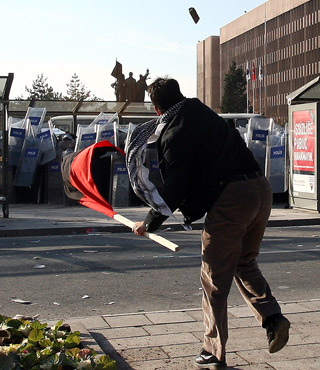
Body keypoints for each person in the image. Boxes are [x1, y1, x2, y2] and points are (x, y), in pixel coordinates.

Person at [132, 77, 290, 368]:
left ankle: (212, 352)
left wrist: (149, 222)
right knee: (244, 262)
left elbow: (175, 187)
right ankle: (273, 318)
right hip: (260, 189)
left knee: (214, 279)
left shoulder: (173, 131)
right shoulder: (205, 113)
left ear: (156, 108)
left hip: (231, 198)